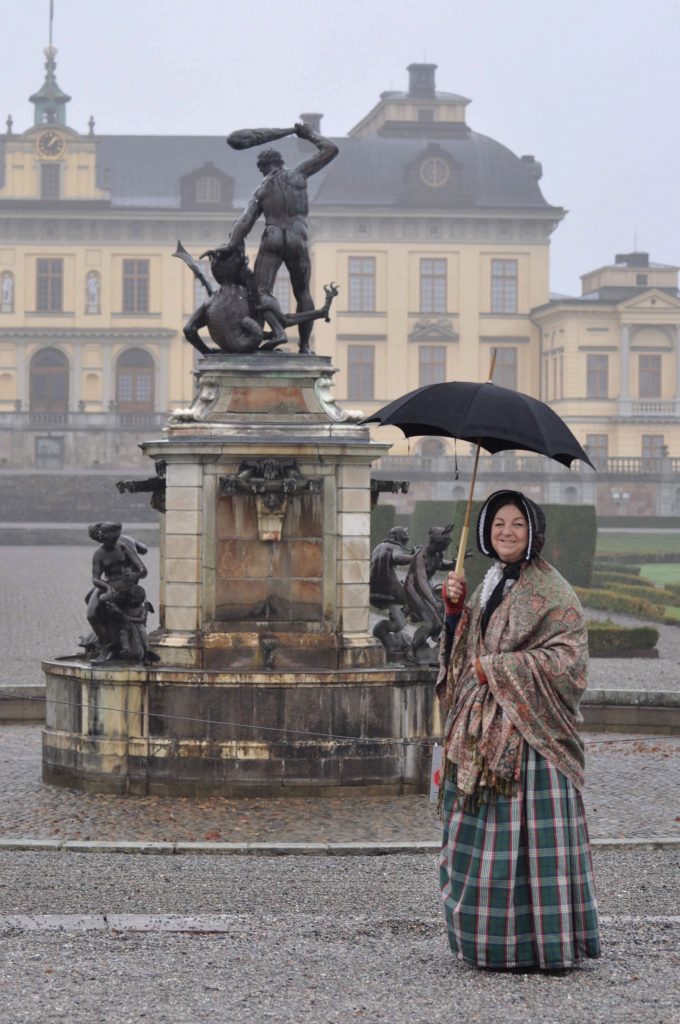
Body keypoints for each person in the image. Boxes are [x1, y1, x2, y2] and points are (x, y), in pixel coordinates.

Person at [437, 490, 601, 971]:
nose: (505, 532)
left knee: (528, 843)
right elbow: (467, 654)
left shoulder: (550, 590)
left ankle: (540, 944)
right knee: (479, 832)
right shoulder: (489, 583)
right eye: (498, 523)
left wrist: (503, 669)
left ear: (534, 533)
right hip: (480, 729)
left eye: (517, 524)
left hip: (530, 738)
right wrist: (454, 612)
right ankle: (488, 940)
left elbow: (570, 661)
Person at [224, 122, 339, 353]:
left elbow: (245, 222)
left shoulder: (261, 190)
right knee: (302, 292)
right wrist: (309, 134)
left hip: (273, 236)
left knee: (261, 291)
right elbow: (330, 150)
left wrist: (230, 246)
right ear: (280, 163)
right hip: (298, 237)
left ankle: (268, 333)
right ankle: (305, 345)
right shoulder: (299, 174)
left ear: (262, 168)